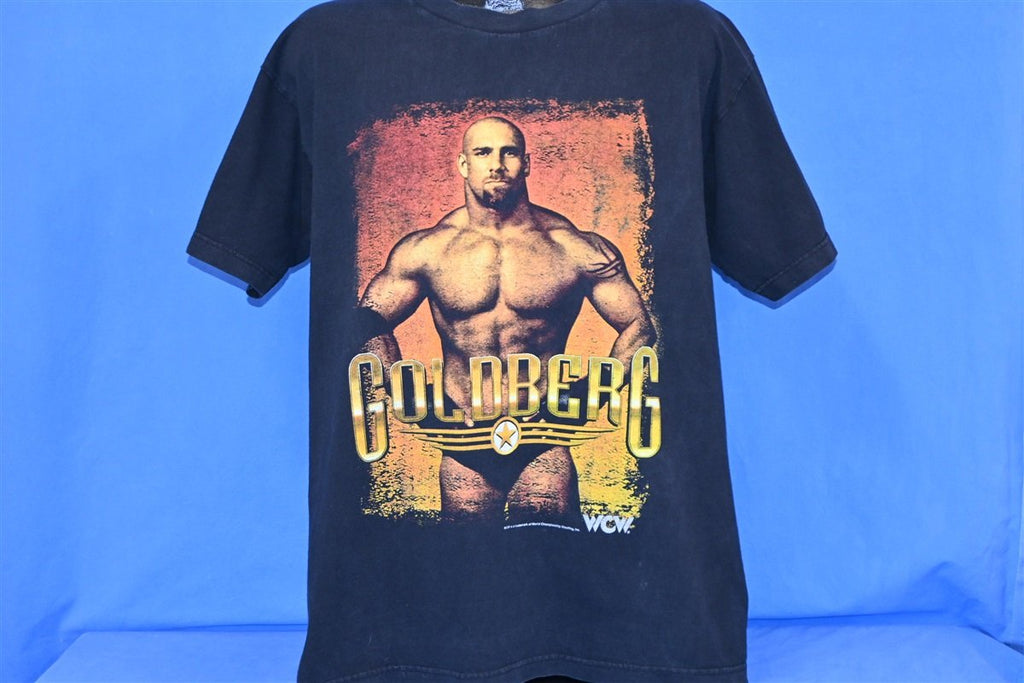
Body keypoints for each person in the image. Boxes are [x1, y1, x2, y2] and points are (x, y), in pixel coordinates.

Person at [355, 115, 656, 526]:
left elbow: (639, 326)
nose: (496, 164)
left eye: (508, 153)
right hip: (463, 440)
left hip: (543, 438)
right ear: (464, 165)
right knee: (467, 556)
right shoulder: (427, 250)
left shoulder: (573, 248)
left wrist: (585, 396)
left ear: (526, 164)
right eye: (483, 153)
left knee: (551, 551)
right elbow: (369, 319)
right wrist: (412, 397)